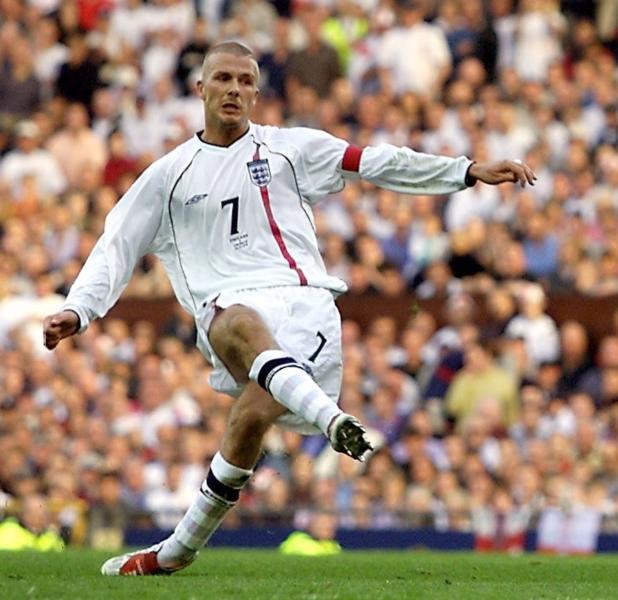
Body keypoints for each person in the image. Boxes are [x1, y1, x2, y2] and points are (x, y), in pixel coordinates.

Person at [41, 41, 536, 576]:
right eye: (224, 79)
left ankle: (175, 552)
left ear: (257, 91)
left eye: (246, 81)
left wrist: (465, 171)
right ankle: (333, 423)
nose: (235, 89)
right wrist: (80, 309)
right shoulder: (167, 177)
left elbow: (374, 161)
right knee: (232, 320)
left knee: (251, 417)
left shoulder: (290, 150)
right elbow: (116, 243)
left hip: (306, 310)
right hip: (231, 313)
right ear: (200, 89)